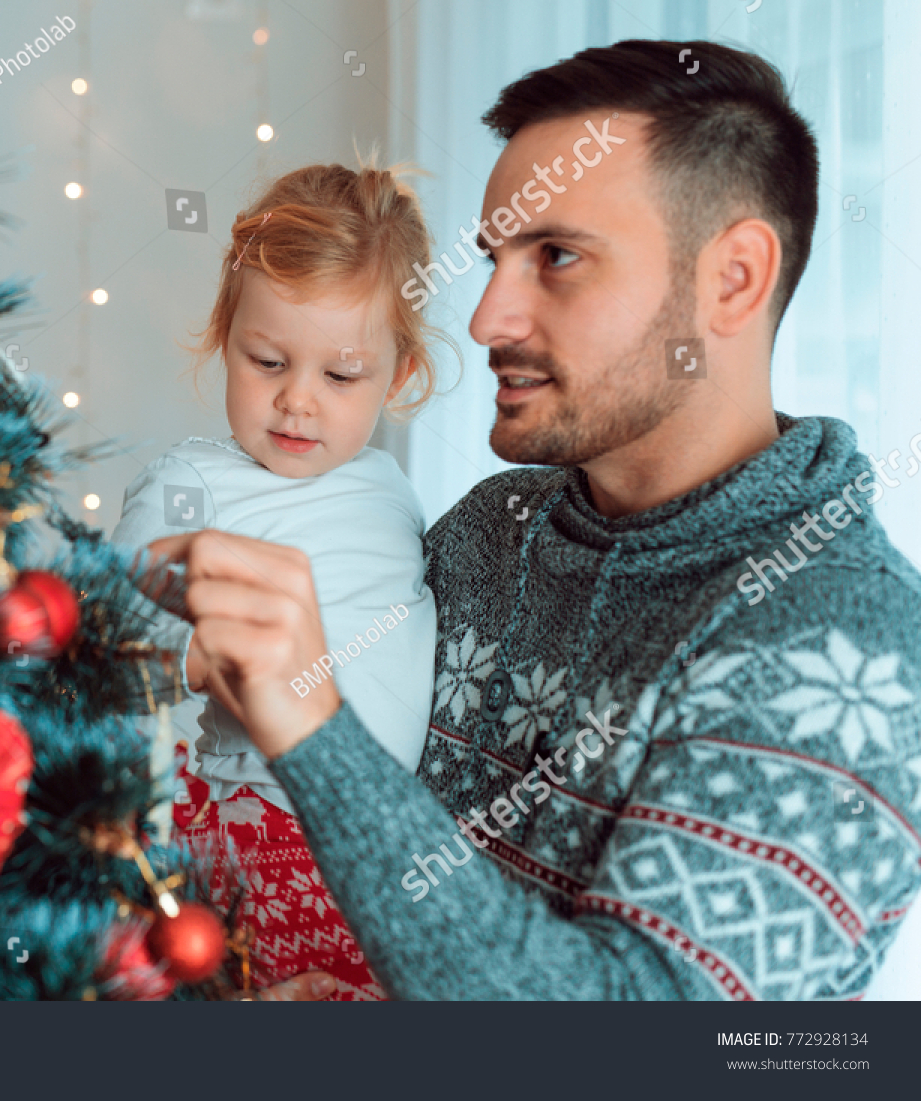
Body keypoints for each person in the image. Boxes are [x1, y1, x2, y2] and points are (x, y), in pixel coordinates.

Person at [151, 39, 921, 999]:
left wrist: (314, 727)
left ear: (733, 279)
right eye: (493, 259)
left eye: (556, 257)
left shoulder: (844, 644)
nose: (485, 321)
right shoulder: (495, 528)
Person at [112, 162, 443, 999]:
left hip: (383, 841)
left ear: (399, 377)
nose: (297, 402)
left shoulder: (396, 494)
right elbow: (109, 631)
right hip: (256, 817)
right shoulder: (193, 482)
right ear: (226, 338)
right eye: (267, 361)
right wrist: (205, 654)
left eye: (340, 377)